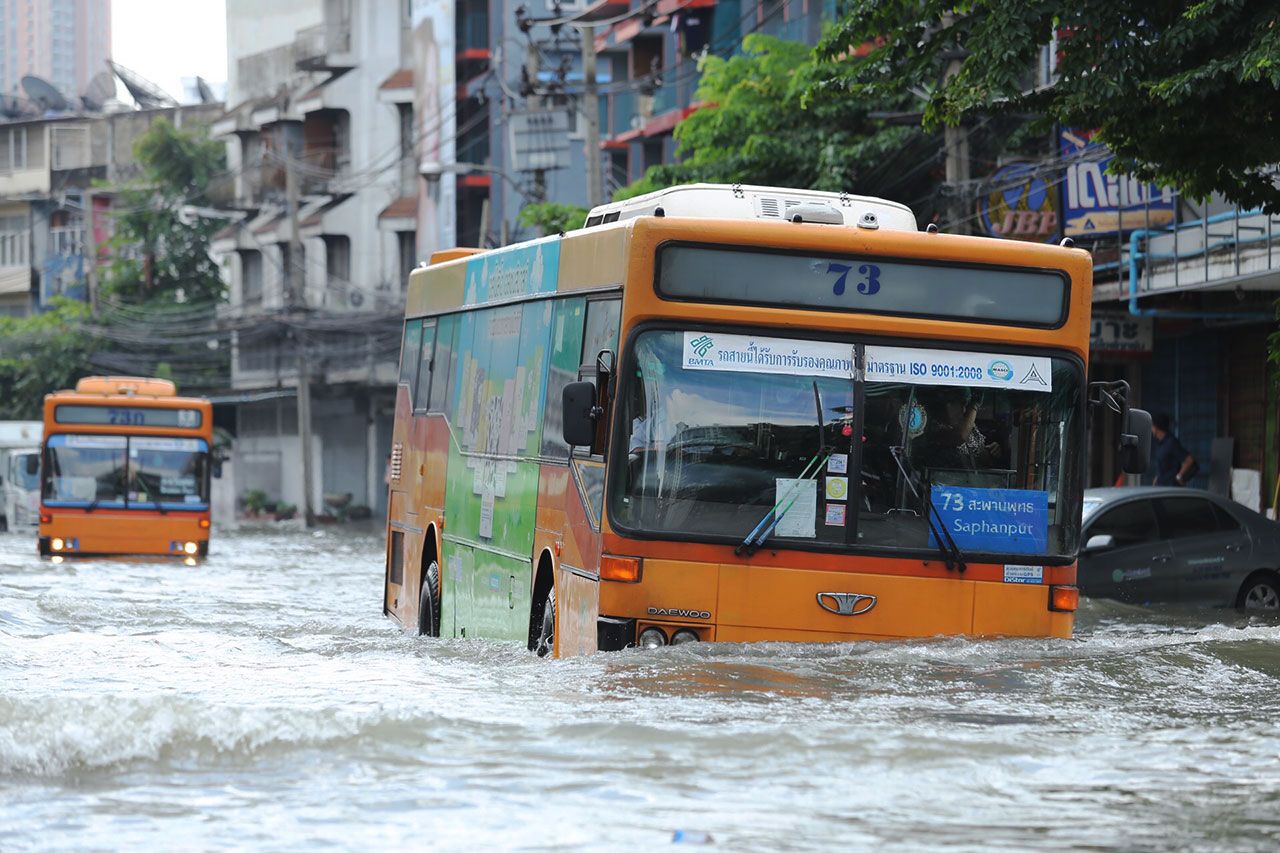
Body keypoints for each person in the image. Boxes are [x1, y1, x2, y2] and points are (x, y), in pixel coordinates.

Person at [1151, 412, 1196, 486]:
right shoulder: (1160, 443)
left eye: (1152, 426)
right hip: (1161, 486)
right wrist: (1156, 480)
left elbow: (1189, 460)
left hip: (1170, 487)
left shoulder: (1171, 443)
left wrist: (1179, 476)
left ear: (1156, 427)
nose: (1151, 429)